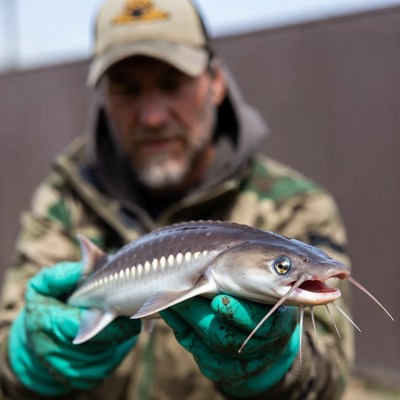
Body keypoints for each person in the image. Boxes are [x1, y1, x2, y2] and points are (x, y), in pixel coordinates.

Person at [0, 0, 354, 399]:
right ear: (104, 97)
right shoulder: (61, 202)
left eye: (172, 83)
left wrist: (279, 366)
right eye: (128, 88)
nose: (152, 116)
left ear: (216, 81)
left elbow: (331, 378)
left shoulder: (295, 205)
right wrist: (28, 360)